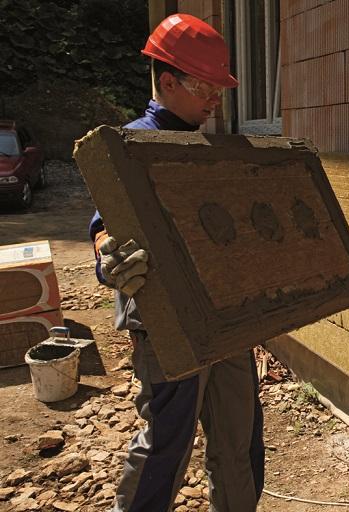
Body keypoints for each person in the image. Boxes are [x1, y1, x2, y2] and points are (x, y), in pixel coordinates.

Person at [88, 14, 265, 511]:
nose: (216, 102)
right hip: (170, 325)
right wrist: (109, 257)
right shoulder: (129, 146)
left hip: (226, 317)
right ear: (168, 81)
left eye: (220, 91)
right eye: (206, 89)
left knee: (239, 435)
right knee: (167, 443)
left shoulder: (213, 147)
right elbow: (103, 228)